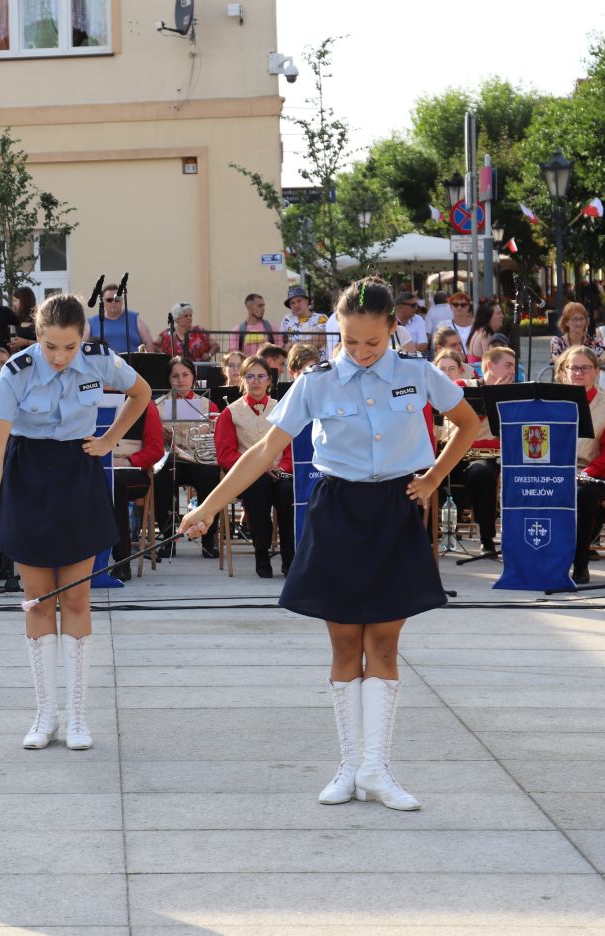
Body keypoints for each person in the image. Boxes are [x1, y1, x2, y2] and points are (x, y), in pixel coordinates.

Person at [180, 276, 480, 812]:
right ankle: (348, 765)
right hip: (337, 510)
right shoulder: (315, 382)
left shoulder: (418, 374)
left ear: (393, 329)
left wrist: (433, 478)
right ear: (335, 334)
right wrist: (208, 507)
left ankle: (379, 770)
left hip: (395, 509)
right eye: (350, 341)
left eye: (372, 342)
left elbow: (467, 423)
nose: (361, 353)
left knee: (384, 644)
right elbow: (264, 452)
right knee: (345, 643)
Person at [0, 293, 152, 751]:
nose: (60, 356)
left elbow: (142, 393)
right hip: (27, 476)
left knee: (76, 598)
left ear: (82, 337)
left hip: (77, 472)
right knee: (37, 600)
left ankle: (78, 718)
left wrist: (109, 439)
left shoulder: (98, 359)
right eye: (50, 346)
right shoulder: (17, 371)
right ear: (37, 334)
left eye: (68, 346)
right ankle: (45, 714)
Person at [213, 355, 293, 578]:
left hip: (280, 473)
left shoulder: (283, 409)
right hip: (248, 476)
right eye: (250, 376)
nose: (256, 381)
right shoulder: (230, 412)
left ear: (269, 380)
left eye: (261, 376)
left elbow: (291, 449)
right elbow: (225, 455)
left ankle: (290, 558)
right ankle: (262, 555)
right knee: (257, 488)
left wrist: (283, 467)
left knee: (289, 493)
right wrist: (253, 468)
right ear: (242, 380)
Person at [557, 345, 605, 585]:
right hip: (560, 471)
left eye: (585, 368)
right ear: (564, 372)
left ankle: (580, 563)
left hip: (596, 473)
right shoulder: (554, 401)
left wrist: (586, 473)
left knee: (582, 495)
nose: (579, 373)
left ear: (596, 372)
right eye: (574, 368)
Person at [445, 346, 513, 556]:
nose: (512, 371)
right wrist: (491, 397)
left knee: (481, 474)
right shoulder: (462, 386)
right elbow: (465, 420)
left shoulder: (513, 394)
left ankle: (487, 539)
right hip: (456, 453)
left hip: (486, 458)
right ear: (490, 366)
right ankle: (430, 534)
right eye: (508, 365)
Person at [155, 357, 220, 560]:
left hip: (198, 459)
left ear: (193, 377)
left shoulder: (207, 404)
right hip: (171, 459)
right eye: (175, 376)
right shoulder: (158, 406)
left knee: (210, 475)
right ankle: (168, 539)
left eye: (185, 375)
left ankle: (208, 540)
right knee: (161, 476)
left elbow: (215, 437)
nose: (180, 380)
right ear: (168, 379)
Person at [109, 396, 164, 580]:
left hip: (132, 472)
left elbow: (156, 449)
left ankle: (122, 561)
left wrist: (127, 461)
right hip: (94, 469)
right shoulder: (84, 398)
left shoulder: (144, 405)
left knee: (114, 483)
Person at [86, 282, 155, 353]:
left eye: (117, 299)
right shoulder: (91, 323)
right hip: (103, 363)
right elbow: (82, 348)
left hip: (130, 362)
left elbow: (148, 343)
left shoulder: (135, 319)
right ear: (103, 302)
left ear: (122, 300)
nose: (113, 302)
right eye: (109, 300)